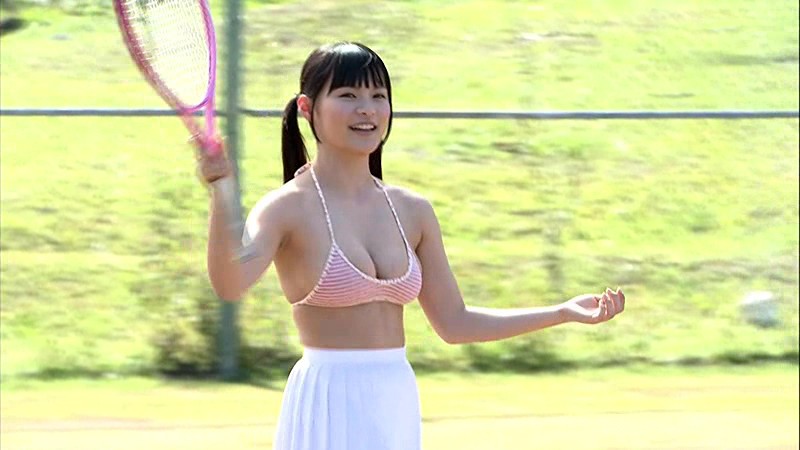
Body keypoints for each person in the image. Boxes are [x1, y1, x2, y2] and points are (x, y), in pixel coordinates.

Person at [196, 42, 626, 450]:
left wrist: (562, 312)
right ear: (308, 108)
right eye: (348, 95)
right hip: (327, 400)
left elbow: (455, 323)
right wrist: (221, 188)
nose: (367, 109)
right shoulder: (287, 207)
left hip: (395, 398)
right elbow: (230, 283)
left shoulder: (411, 210)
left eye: (378, 96)